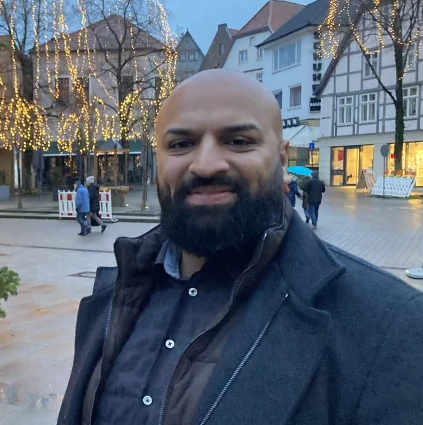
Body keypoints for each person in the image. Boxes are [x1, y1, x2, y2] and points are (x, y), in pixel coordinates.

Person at [59, 70, 423, 425]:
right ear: (159, 162)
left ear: (281, 160)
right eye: (181, 144)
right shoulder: (112, 296)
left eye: (238, 141)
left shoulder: (389, 326)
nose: (205, 165)